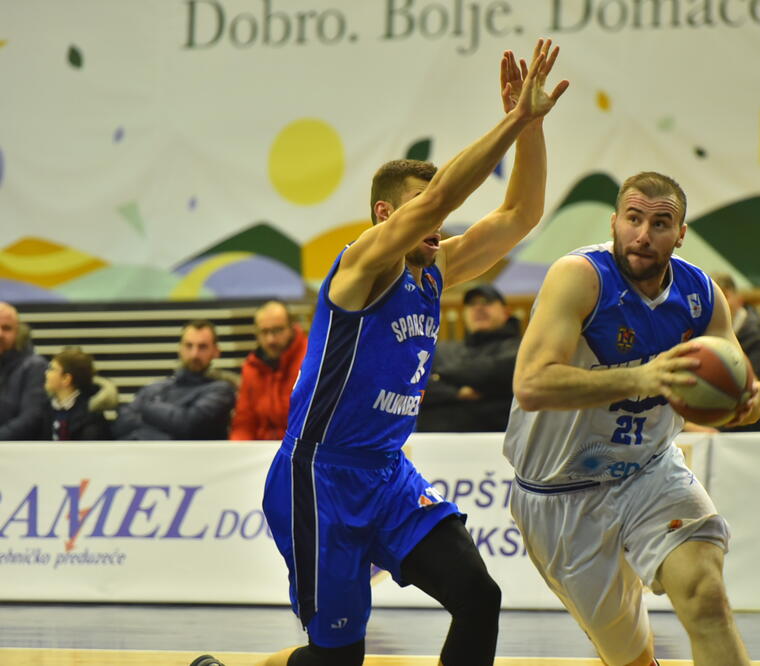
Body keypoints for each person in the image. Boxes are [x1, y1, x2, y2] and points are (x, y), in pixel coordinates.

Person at [210, 40, 568, 666]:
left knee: (479, 596)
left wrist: (532, 124)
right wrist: (509, 121)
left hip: (387, 473)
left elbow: (522, 212)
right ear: (384, 215)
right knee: (338, 662)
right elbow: (438, 203)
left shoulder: (436, 268)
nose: (438, 226)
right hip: (319, 476)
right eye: (420, 213)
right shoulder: (361, 266)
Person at [503, 171, 760, 666]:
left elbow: (742, 379)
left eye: (661, 223)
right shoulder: (580, 276)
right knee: (629, 657)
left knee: (706, 597)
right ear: (615, 222)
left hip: (650, 470)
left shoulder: (700, 294)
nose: (643, 234)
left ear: (681, 233)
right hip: (560, 492)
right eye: (634, 218)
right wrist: (641, 379)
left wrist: (750, 399)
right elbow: (532, 384)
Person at [417, 284, 521, 432]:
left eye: (487, 302)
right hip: (431, 443)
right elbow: (415, 384)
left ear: (506, 312)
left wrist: (439, 375)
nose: (478, 308)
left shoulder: (519, 349)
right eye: (471, 304)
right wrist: (457, 393)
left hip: (496, 442)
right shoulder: (443, 350)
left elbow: (495, 372)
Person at [112, 320, 238, 440]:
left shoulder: (221, 390)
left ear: (216, 351)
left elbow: (187, 425)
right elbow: (120, 426)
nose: (194, 354)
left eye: (202, 347)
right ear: (180, 348)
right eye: (188, 345)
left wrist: (145, 408)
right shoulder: (156, 388)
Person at [712, 272, 760, 431]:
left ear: (739, 299)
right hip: (713, 426)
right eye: (716, 298)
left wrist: (713, 429)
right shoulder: (702, 333)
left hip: (753, 432)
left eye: (725, 296)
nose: (721, 304)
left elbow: (756, 399)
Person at [230, 300, 308, 441]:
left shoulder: (310, 359)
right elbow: (244, 422)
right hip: (260, 452)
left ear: (292, 327)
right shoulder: (251, 367)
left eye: (277, 330)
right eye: (264, 332)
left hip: (300, 450)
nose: (271, 339)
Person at [39, 348, 112, 440]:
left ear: (66, 379)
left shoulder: (91, 417)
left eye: (52, 369)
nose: (46, 373)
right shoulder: (44, 409)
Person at [0, 302, 47, 440]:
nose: (0, 334)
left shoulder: (35, 367)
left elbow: (31, 419)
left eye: (6, 328)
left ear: (18, 332)